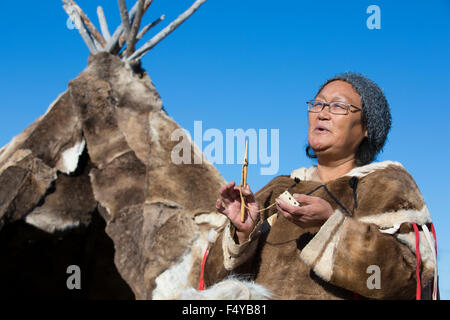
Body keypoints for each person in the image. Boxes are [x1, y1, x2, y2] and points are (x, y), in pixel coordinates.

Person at [202, 72, 438, 300]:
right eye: (318, 104)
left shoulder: (385, 184)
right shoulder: (277, 189)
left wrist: (330, 225)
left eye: (338, 106)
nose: (322, 114)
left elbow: (409, 280)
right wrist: (244, 233)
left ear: (367, 127)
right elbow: (213, 284)